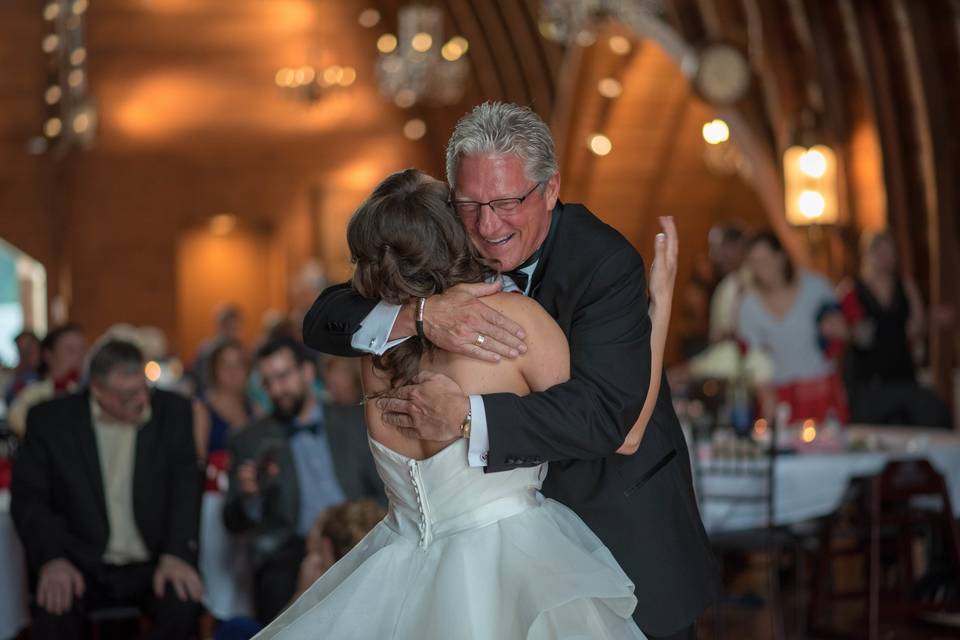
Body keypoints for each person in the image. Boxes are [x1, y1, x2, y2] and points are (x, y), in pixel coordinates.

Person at [302, 105, 716, 639]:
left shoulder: (602, 262)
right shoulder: (434, 267)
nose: (487, 225)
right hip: (487, 559)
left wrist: (468, 415)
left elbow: (608, 419)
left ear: (549, 189)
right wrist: (420, 314)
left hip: (618, 527)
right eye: (470, 204)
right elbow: (322, 318)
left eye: (506, 202)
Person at [11, 339, 203, 639]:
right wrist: (52, 559)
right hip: (79, 563)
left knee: (184, 602)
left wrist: (177, 553)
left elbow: (186, 486)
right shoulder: (50, 421)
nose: (142, 401)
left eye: (144, 388)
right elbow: (29, 499)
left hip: (152, 562)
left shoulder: (173, 412)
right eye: (128, 395)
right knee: (53, 612)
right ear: (97, 390)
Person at [222, 338, 384, 624]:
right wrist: (251, 497)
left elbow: (383, 486)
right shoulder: (250, 439)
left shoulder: (353, 420)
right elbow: (231, 520)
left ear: (307, 372)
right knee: (275, 585)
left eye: (283, 377)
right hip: (291, 548)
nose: (276, 390)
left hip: (361, 535)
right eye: (267, 382)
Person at [838, 230, 951, 427]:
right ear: (868, 255)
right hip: (867, 379)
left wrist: (932, 318)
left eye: (889, 252)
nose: (885, 258)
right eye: (880, 252)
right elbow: (839, 331)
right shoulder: (850, 289)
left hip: (901, 372)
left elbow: (915, 327)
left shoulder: (904, 285)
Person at [737, 231, 849, 422]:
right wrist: (765, 396)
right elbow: (754, 358)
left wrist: (837, 331)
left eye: (765, 260)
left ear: (780, 257)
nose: (761, 268)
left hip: (821, 388)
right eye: (754, 263)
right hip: (780, 397)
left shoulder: (816, 287)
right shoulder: (749, 305)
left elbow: (844, 333)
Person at [8, 323, 86, 436]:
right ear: (49, 355)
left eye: (83, 349)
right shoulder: (33, 393)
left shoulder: (95, 392)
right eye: (70, 350)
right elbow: (17, 422)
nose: (79, 356)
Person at [192, 337, 253, 459]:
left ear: (247, 370)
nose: (232, 371)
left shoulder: (255, 406)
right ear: (214, 369)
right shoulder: (201, 408)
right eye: (225, 365)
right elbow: (198, 461)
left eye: (238, 364)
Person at [4, 330, 41, 406]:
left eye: (29, 347)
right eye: (20, 350)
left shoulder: (50, 372)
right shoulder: (14, 377)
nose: (25, 353)